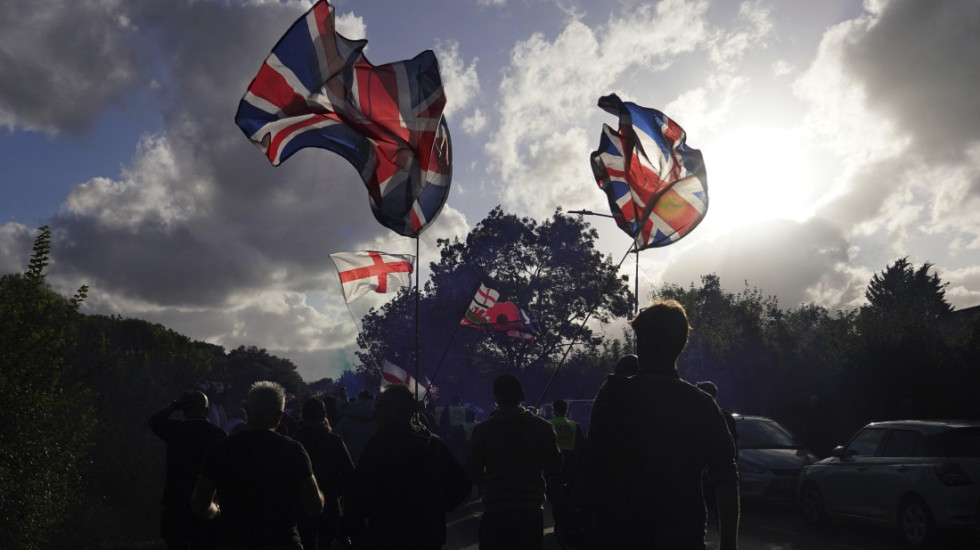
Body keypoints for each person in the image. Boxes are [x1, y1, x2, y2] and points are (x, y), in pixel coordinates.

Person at [580, 300, 739, 550]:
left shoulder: (614, 395)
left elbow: (593, 465)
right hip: (684, 536)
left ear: (641, 343)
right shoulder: (703, 404)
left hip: (620, 535)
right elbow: (726, 478)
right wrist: (729, 545)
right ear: (681, 345)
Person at [191, 381, 324, 549]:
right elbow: (315, 505)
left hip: (233, 541)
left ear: (247, 412)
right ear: (279, 417)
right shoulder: (293, 450)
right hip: (282, 541)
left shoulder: (222, 449)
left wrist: (216, 510)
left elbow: (199, 504)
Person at [345, 384, 471, 549]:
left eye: (380, 407)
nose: (375, 414)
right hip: (427, 537)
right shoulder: (434, 444)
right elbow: (462, 487)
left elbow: (358, 494)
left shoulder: (380, 445)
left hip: (387, 537)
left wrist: (349, 530)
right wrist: (435, 508)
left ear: (393, 411)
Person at [464, 374, 563, 550]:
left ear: (496, 398)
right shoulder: (542, 427)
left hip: (496, 510)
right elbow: (556, 465)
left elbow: (472, 471)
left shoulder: (483, 430)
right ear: (522, 397)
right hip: (530, 511)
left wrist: (491, 481)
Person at [149, 390, 227, 550]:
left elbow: (154, 421)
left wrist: (174, 406)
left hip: (176, 501)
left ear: (184, 410)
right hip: (206, 502)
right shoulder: (218, 434)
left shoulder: (176, 430)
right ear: (207, 411)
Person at [292, 398, 355, 550]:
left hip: (301, 506)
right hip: (331, 505)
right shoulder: (334, 441)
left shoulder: (295, 441)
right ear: (323, 416)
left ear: (303, 416)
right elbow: (350, 475)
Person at [545, 399, 586, 526]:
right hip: (570, 463)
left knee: (554, 494)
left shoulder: (547, 425)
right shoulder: (574, 426)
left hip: (552, 463)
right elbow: (581, 447)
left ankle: (558, 517)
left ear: (553, 410)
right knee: (569, 494)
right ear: (566, 410)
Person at [335, 390, 377, 465]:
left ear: (359, 399)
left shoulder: (344, 421)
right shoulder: (382, 418)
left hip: (352, 465)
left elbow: (337, 445)